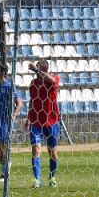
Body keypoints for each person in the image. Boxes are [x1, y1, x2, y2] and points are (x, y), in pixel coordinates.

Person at [27, 58, 61, 188]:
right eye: (40, 66)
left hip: (51, 121)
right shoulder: (33, 83)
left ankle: (52, 177)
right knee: (36, 150)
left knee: (53, 152)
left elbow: (51, 80)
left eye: (44, 66)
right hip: (35, 121)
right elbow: (32, 100)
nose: (42, 68)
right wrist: (28, 118)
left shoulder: (54, 79)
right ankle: (37, 180)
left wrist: (36, 70)